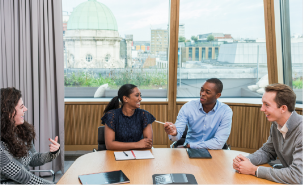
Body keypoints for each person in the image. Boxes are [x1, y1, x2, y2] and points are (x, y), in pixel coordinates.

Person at [232, 83, 303, 184]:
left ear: (283, 108)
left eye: (267, 105)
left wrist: (254, 170)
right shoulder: (276, 124)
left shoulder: (301, 130)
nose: (262, 109)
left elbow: (297, 176)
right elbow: (267, 151)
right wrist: (245, 161)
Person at [0, 87, 60, 184]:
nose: (25, 109)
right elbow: (24, 177)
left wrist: (52, 154)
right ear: (8, 111)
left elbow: (32, 158)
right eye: (21, 107)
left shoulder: (21, 130)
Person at [164, 78, 233, 149]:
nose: (202, 94)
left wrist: (189, 145)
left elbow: (218, 143)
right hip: (189, 151)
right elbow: (175, 137)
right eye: (202, 90)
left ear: (218, 95)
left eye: (207, 92)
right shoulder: (188, 107)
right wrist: (174, 133)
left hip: (212, 150)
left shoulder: (225, 111)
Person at [101, 84, 155, 150]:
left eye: (140, 95)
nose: (140, 99)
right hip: (116, 155)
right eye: (137, 95)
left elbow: (148, 144)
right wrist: (137, 144)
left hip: (138, 156)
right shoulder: (111, 116)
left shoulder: (145, 115)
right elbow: (110, 145)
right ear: (125, 99)